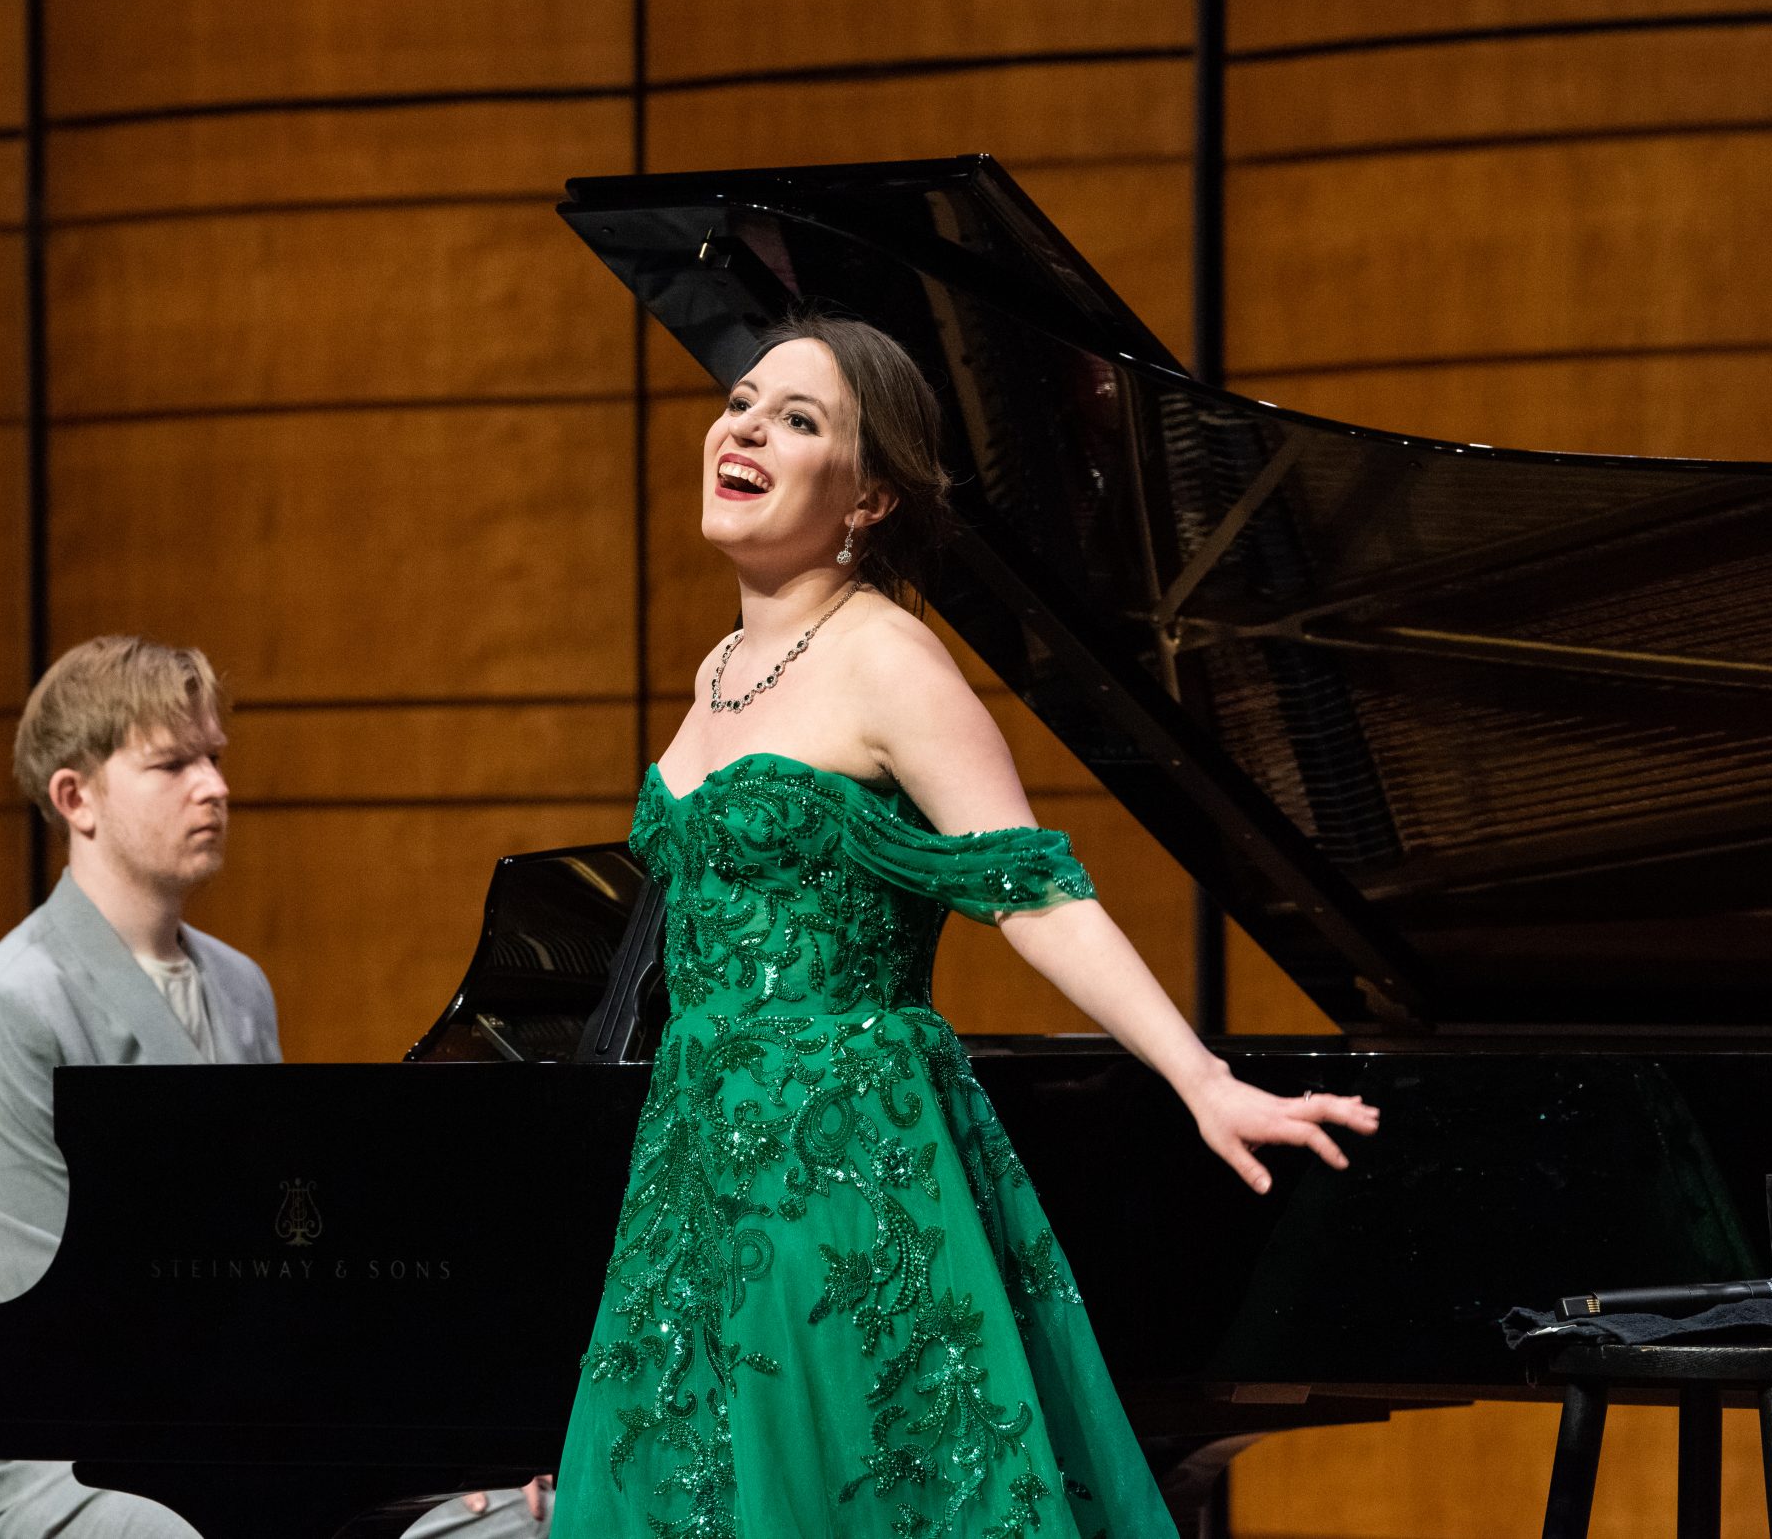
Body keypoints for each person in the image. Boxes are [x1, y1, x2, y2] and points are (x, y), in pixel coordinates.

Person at [544, 311, 1381, 1538]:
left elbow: (1032, 891)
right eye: (743, 402)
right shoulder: (719, 665)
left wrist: (1199, 1077)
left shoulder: (891, 661)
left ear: (870, 496)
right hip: (697, 1165)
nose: (746, 426)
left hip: (840, 1165)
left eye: (799, 419)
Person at [0, 635, 279, 1539]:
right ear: (75, 798)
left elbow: (283, 1261)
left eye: (214, 757)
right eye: (172, 764)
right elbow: (72, 1315)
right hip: (62, 1456)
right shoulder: (5, 1008)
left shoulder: (240, 987)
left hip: (231, 1425)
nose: (215, 786)